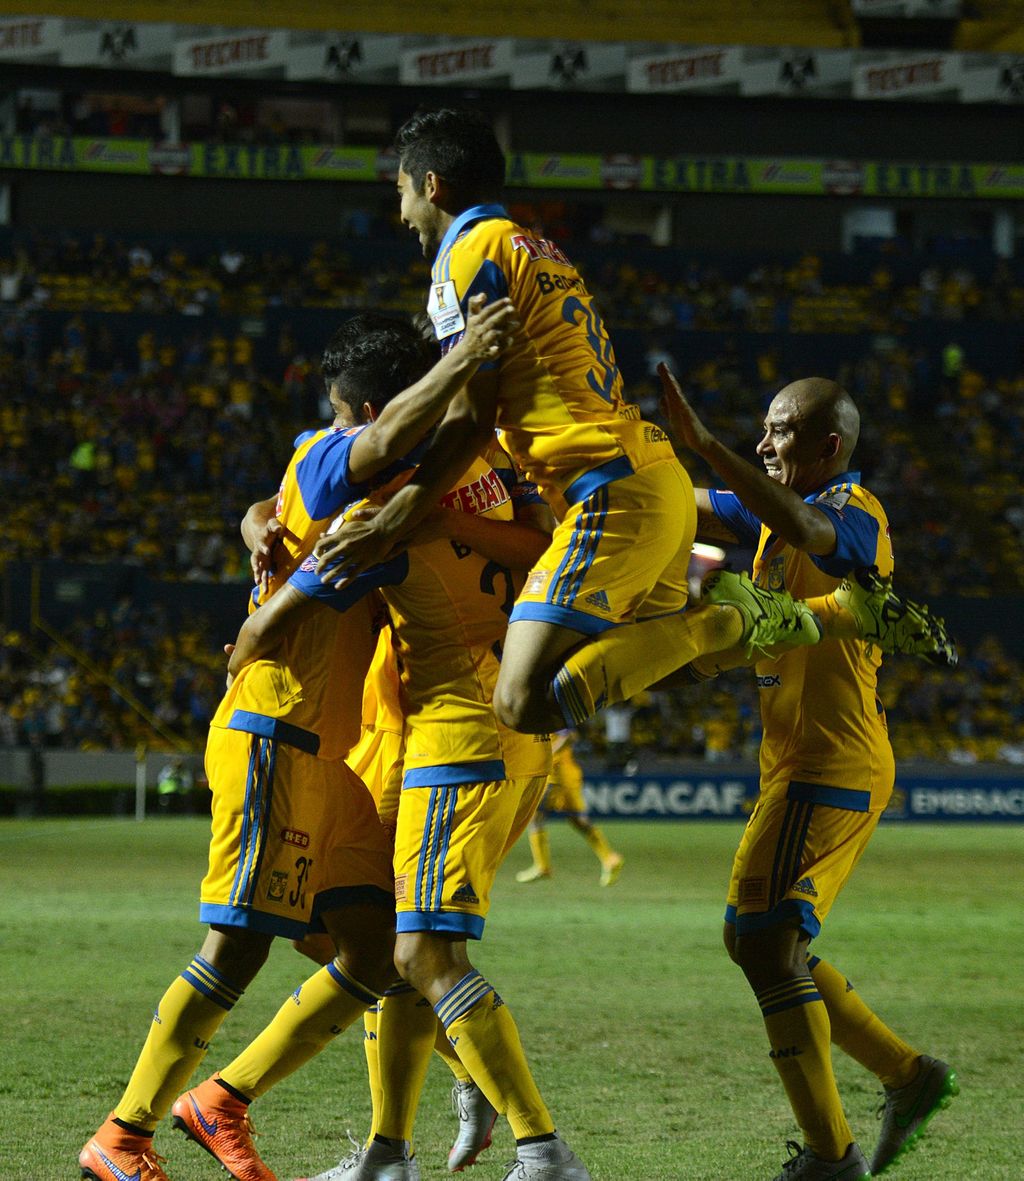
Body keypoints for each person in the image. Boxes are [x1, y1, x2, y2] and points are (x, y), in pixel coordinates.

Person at [79, 298, 518, 1181]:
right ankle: (122, 1136)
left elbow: (283, 506)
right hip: (275, 730)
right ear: (377, 412)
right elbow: (341, 475)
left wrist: (257, 526)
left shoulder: (381, 492)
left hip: (326, 750)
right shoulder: (333, 456)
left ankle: (223, 1101)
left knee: (376, 943)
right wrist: (260, 624)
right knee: (235, 944)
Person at [313, 108, 831, 748]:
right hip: (650, 478)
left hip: (609, 497)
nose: (400, 214)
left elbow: (471, 420)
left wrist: (395, 520)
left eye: (400, 191)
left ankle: (725, 621)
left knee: (521, 698)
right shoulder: (538, 247)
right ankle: (730, 624)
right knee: (642, 662)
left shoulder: (465, 254)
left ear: (432, 186)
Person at [223, 312, 589, 1181]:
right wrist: (255, 519)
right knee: (383, 934)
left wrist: (256, 631)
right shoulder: (484, 457)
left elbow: (321, 531)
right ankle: (391, 1150)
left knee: (410, 946)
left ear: (365, 410)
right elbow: (540, 539)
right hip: (445, 716)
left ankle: (537, 1146)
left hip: (459, 719)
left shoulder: (395, 487)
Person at [659, 366, 959, 1181]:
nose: (764, 441)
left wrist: (708, 445)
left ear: (829, 446)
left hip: (831, 760)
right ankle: (906, 1073)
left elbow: (796, 520)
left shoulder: (854, 514)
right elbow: (678, 502)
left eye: (779, 431)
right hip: (800, 760)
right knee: (756, 938)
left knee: (766, 938)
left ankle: (832, 1158)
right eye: (760, 428)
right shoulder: (759, 522)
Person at [516, 729, 624, 887]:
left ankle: (542, 865)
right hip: (564, 774)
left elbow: (570, 736)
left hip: (556, 774)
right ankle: (609, 858)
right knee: (578, 820)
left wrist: (547, 755)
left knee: (535, 815)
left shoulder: (551, 713)